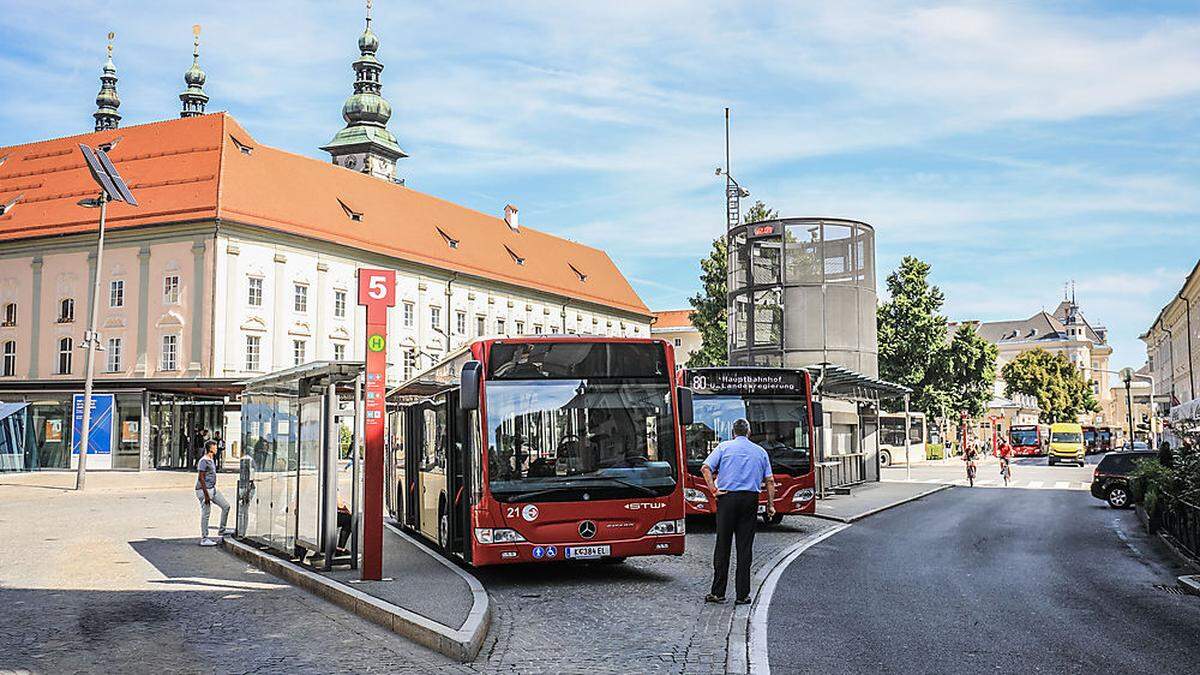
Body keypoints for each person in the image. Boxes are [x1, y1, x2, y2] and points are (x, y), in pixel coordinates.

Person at [702, 418, 775, 605]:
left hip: (727, 499)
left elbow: (706, 468)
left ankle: (718, 592)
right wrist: (770, 505)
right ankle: (742, 595)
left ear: (733, 432)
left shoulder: (723, 447)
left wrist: (713, 490)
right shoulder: (760, 452)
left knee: (722, 546)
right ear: (749, 432)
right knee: (744, 548)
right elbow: (770, 481)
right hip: (750, 500)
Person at [196, 439, 230, 546]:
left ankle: (222, 529)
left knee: (226, 506)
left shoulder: (211, 459)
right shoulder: (204, 461)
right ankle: (204, 538)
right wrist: (206, 495)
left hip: (213, 489)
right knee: (206, 514)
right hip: (204, 490)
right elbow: (201, 478)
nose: (216, 448)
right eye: (215, 447)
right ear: (210, 449)